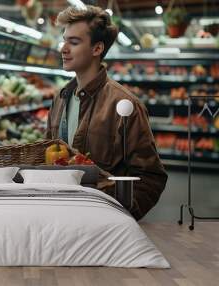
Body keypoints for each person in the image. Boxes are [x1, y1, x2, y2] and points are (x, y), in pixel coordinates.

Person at [45, 5, 168, 220]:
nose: (63, 48)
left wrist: (121, 219)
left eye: (74, 42)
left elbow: (151, 177)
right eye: (64, 40)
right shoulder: (60, 99)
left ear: (97, 49)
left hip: (102, 223)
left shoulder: (125, 105)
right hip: (59, 217)